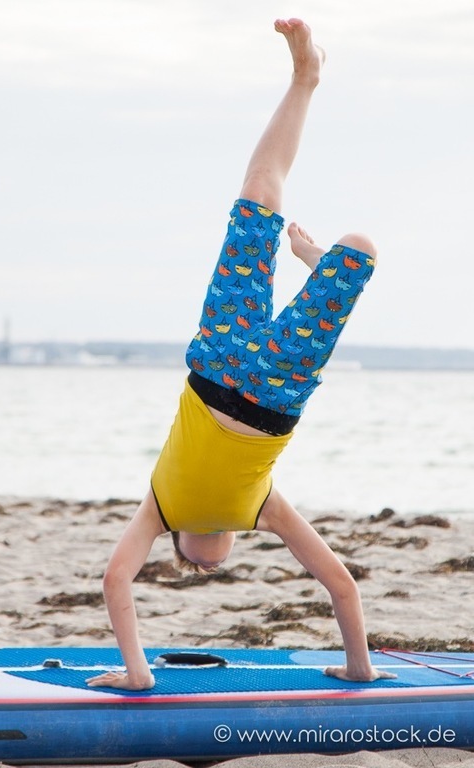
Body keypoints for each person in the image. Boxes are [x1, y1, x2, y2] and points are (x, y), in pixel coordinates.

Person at [87, 18, 395, 692]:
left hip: (216, 359)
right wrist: (358, 665)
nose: (207, 562)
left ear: (179, 545)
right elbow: (339, 584)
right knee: (360, 249)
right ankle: (317, 266)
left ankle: (303, 76)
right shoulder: (266, 511)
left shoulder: (160, 507)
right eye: (214, 569)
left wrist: (136, 675)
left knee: (257, 195)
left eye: (195, 567)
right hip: (278, 388)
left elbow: (116, 579)